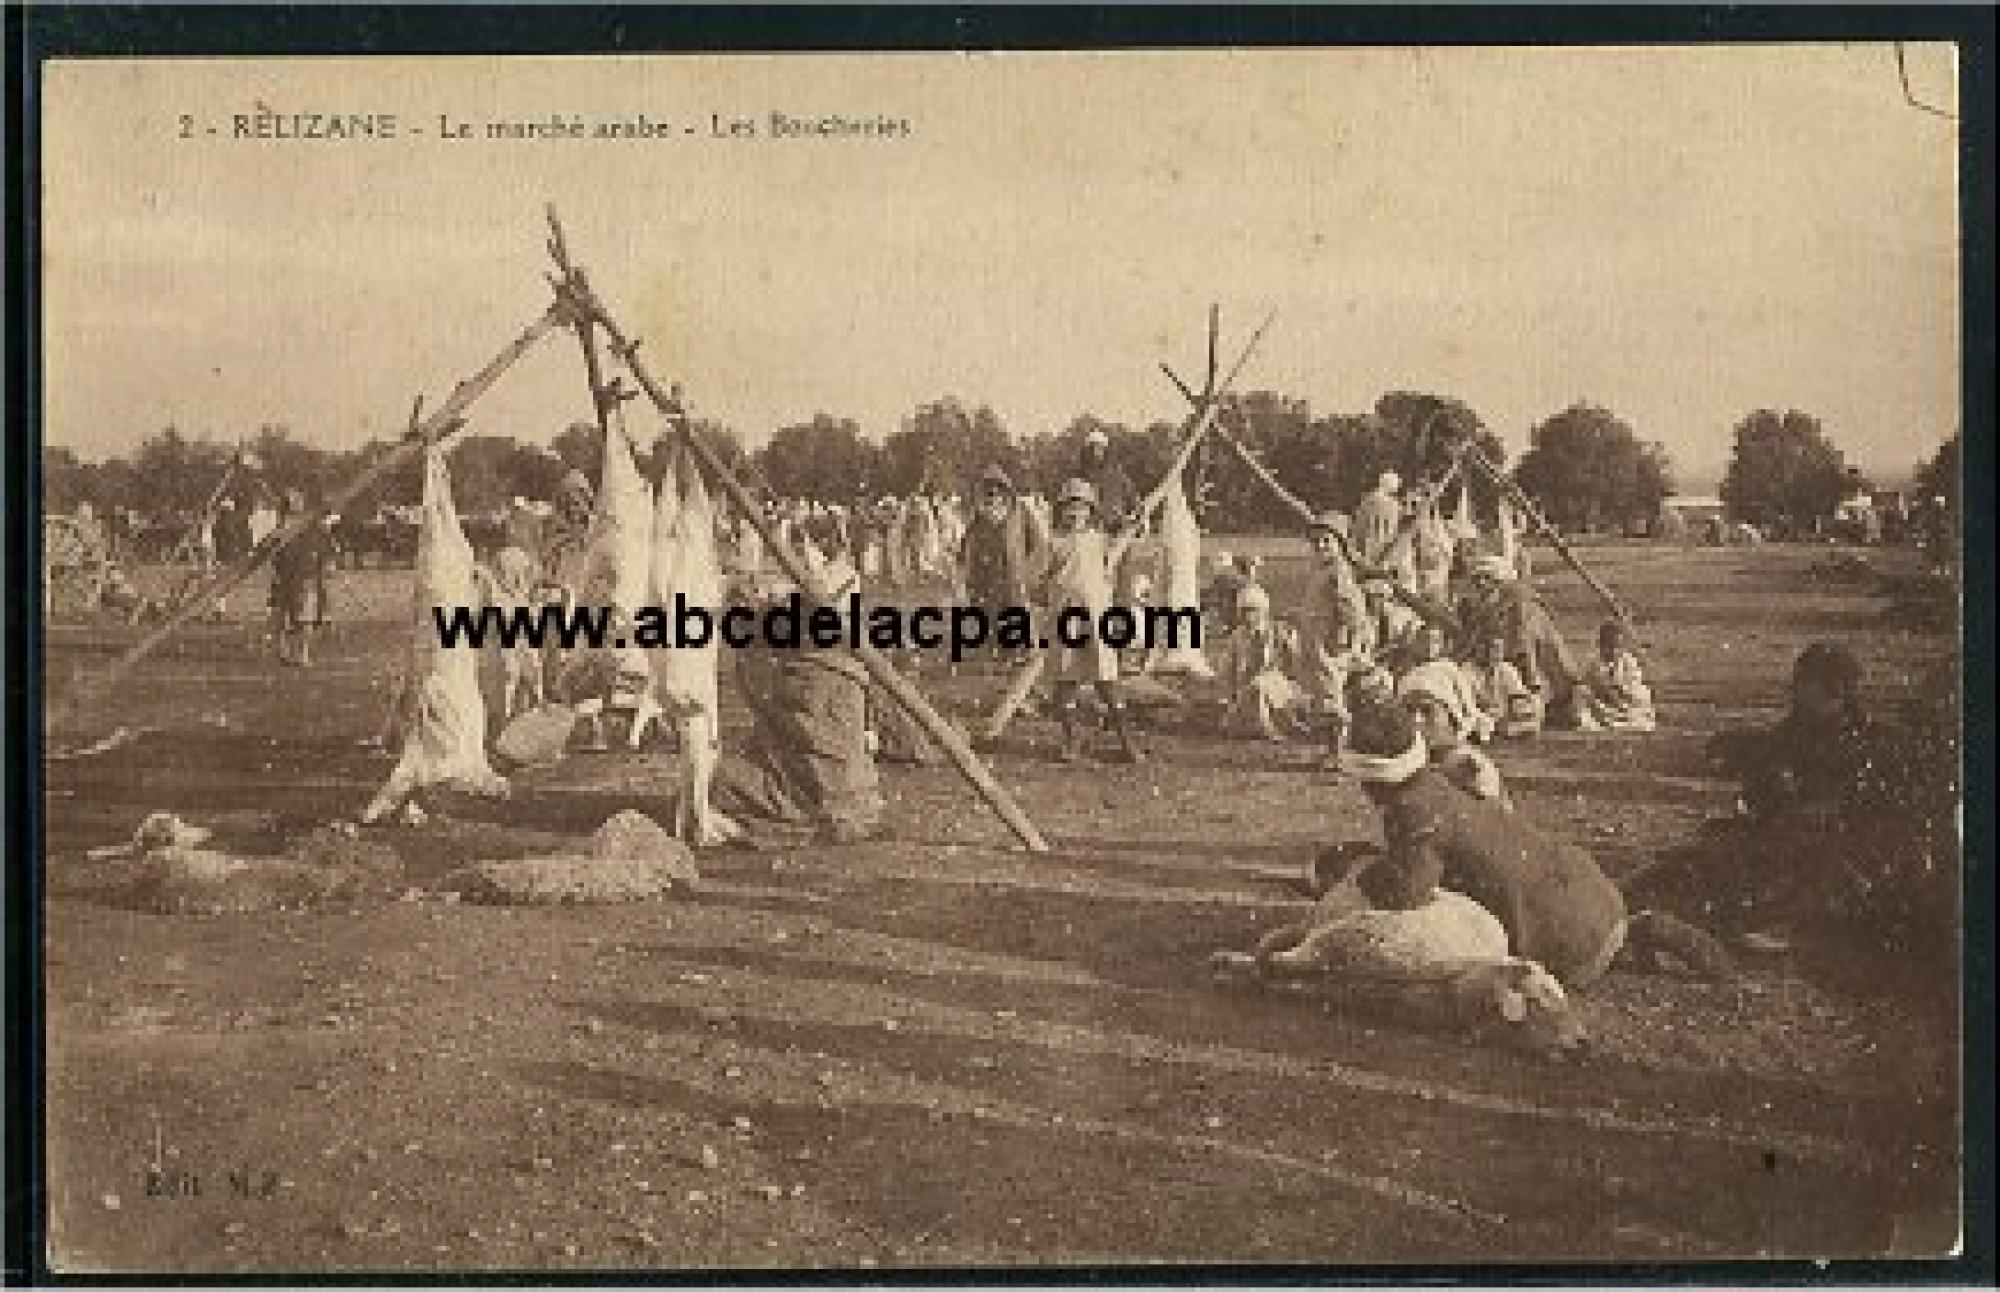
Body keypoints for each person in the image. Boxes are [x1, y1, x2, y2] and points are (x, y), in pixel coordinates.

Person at [1629, 643, 1952, 966]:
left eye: (1803, 682)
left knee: (1755, 882)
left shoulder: (1876, 744)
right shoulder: (1795, 730)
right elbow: (1768, 784)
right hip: (1782, 840)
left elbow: (1886, 819)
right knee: (1700, 860)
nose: (1794, 689)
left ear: (1836, 689)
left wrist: (1820, 814)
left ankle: (1746, 927)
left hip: (1840, 858)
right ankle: (1638, 906)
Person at [1336, 699, 1626, 989]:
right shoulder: (1436, 784)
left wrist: (1363, 875)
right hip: (1598, 897)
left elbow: (1409, 891)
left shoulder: (1411, 811)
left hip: (1573, 941)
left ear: (1370, 781)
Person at [713, 573, 885, 843]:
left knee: (720, 781)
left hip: (825, 796)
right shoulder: (848, 668)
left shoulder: (798, 678)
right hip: (863, 800)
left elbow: (786, 731)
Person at [1039, 478, 1141, 764]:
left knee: (1106, 679)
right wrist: (1053, 597)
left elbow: (1127, 537)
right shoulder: (1053, 542)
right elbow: (1036, 579)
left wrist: (1134, 521)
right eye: (1069, 507)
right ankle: (1072, 740)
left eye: (1080, 507)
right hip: (1066, 616)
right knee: (1066, 679)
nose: (1074, 513)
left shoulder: (1100, 540)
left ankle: (1126, 741)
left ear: (1089, 511)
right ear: (1060, 511)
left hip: (1096, 616)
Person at [1457, 552, 1581, 726]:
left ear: (1498, 581)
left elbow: (1526, 642)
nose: (1481, 583)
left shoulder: (1521, 605)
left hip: (1528, 659)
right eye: (1477, 579)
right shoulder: (1478, 606)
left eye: (1487, 578)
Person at [1300, 511, 1378, 765]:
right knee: (1319, 694)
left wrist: (1355, 634)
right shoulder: (1319, 571)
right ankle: (1327, 748)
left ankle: (1339, 751)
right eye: (1317, 542)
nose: (1321, 546)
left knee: (1331, 694)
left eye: (1327, 541)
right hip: (1314, 641)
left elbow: (1350, 606)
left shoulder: (1339, 572)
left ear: (1340, 544)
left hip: (1330, 642)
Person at [1399, 673, 1509, 808]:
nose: (1416, 720)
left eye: (1427, 711)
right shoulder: (1412, 761)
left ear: (1453, 717)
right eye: (1408, 710)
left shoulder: (1471, 767)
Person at [1396, 623, 1497, 746]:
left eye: (1434, 641)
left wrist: (1471, 717)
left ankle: (1436, 738)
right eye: (1424, 640)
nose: (1429, 645)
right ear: (1417, 643)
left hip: (1437, 708)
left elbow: (1465, 697)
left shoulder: (1448, 667)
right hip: (1411, 708)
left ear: (1441, 646)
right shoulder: (1408, 670)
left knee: (1433, 716)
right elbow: (1400, 695)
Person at [267, 489, 334, 667]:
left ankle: (303, 654)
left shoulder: (313, 526)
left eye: (297, 500)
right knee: (280, 614)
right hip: (285, 575)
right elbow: (273, 552)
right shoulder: (281, 527)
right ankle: (283, 650)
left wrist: (325, 567)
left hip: (306, 575)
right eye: (291, 501)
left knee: (307, 617)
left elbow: (324, 548)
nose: (294, 504)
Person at [1576, 620, 1658, 732]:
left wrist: (1613, 688)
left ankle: (1613, 723)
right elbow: (1585, 683)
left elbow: (1632, 692)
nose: (1613, 652)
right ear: (1600, 646)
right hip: (1604, 705)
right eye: (1608, 647)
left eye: (1617, 647)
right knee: (1580, 694)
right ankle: (1596, 722)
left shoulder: (1629, 663)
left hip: (1626, 706)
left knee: (1640, 714)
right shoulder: (1593, 663)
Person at [1463, 633, 1544, 740]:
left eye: (1499, 650)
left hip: (1502, 717)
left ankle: (1504, 730)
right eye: (1493, 649)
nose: (1497, 654)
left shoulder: (1506, 669)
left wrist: (1523, 703)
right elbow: (1467, 700)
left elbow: (1521, 694)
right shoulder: (1467, 670)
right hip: (1478, 715)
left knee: (1532, 706)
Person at [1350, 470, 1404, 570]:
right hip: (1385, 551)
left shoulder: (1366, 501)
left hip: (1365, 549)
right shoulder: (1394, 506)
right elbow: (1393, 531)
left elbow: (1358, 526)